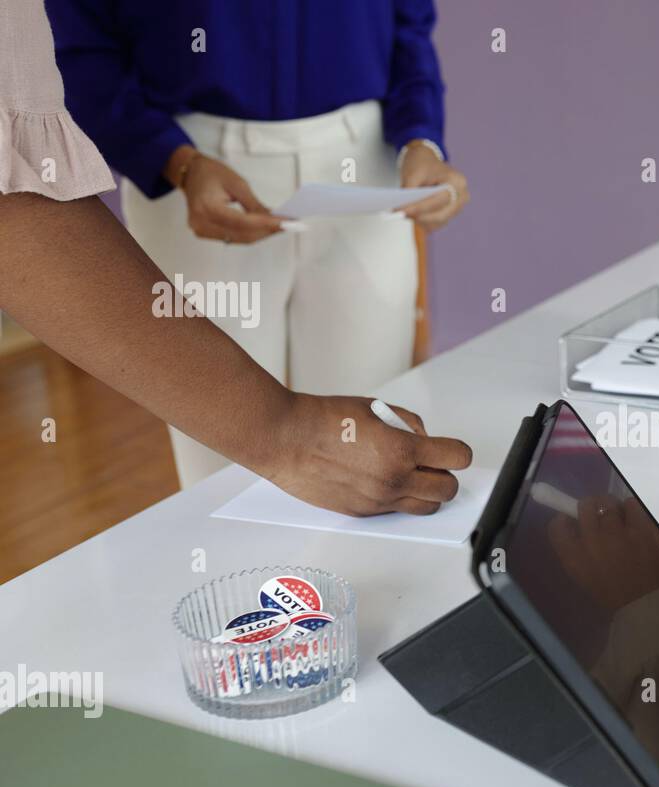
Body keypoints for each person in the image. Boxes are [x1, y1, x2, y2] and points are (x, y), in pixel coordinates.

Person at [1, 0, 470, 518]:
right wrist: (173, 161)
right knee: (224, 457)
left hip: (366, 167)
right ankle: (244, 594)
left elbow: (410, 25)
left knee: (382, 430)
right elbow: (81, 47)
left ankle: (366, 593)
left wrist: (422, 138)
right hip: (196, 169)